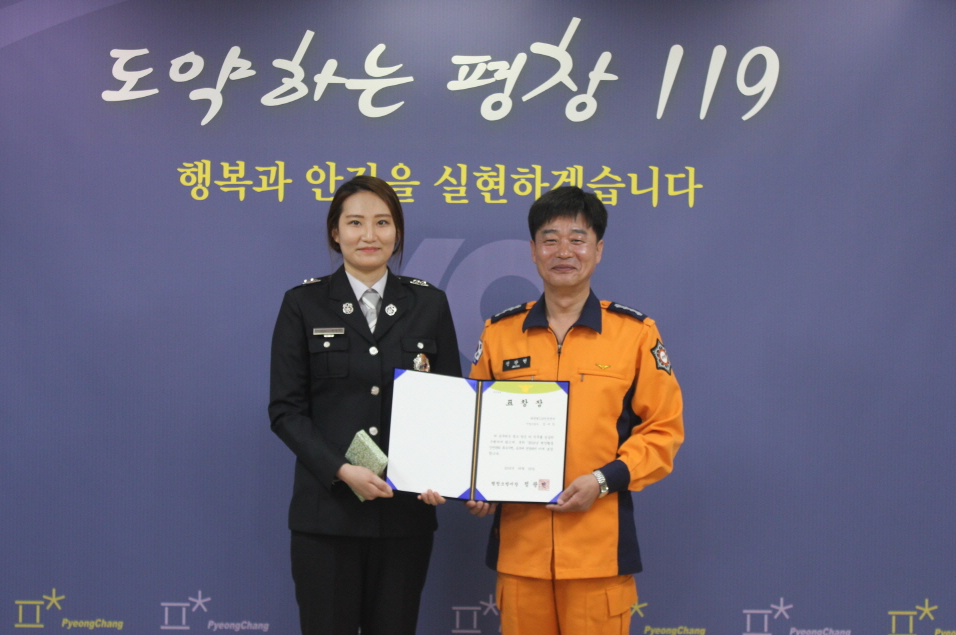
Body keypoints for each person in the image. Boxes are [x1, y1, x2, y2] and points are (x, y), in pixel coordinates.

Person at [465, 186, 684, 635]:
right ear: (533, 251)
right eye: (550, 239)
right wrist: (474, 484)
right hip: (520, 553)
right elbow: (473, 427)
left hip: (597, 554)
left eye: (577, 239)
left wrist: (603, 481)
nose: (564, 251)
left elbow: (663, 430)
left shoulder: (635, 334)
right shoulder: (500, 333)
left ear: (598, 250)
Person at [268, 175, 461, 635]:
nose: (369, 235)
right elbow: (285, 410)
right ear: (335, 232)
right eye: (355, 223)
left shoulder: (429, 303)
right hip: (327, 516)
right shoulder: (303, 304)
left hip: (404, 517)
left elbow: (450, 403)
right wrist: (341, 470)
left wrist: (442, 474)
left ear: (398, 232)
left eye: (382, 222)